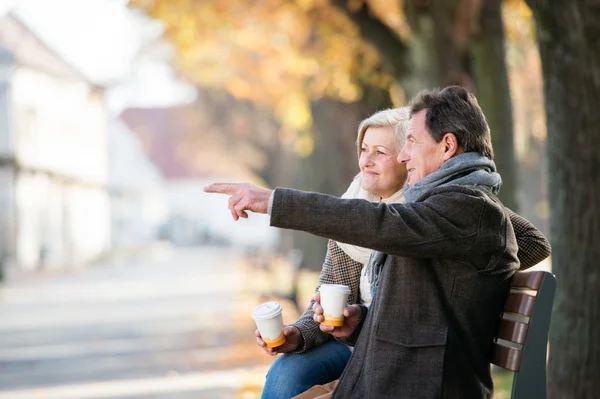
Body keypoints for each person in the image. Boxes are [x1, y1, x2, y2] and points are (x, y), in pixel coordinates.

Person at [205, 86, 551, 398]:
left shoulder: (468, 209)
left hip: (419, 385)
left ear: (447, 146)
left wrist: (274, 202)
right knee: (287, 377)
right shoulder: (442, 206)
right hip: (389, 376)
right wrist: (358, 323)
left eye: (410, 142)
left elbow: (382, 224)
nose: (403, 155)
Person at [258, 107, 410, 398]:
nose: (366, 160)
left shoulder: (424, 214)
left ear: (407, 158)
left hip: (390, 349)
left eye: (380, 152)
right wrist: (297, 334)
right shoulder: (352, 205)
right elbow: (328, 292)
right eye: (364, 149)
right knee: (285, 373)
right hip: (349, 342)